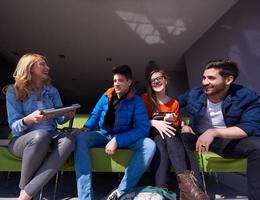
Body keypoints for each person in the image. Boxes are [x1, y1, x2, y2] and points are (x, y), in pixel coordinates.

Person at [176, 60, 260, 200]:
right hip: (199, 138)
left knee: (258, 146)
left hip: (230, 141)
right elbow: (171, 106)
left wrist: (214, 132)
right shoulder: (195, 94)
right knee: (182, 137)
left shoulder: (246, 96)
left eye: (211, 78)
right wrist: (182, 125)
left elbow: (250, 127)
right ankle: (196, 193)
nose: (204, 82)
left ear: (228, 79)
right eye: (204, 77)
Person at [74, 65, 156, 200]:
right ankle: (85, 197)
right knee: (81, 138)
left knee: (149, 145)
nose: (116, 84)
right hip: (104, 134)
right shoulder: (106, 96)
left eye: (121, 80)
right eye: (115, 80)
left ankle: (121, 192)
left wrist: (118, 140)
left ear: (129, 82)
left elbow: (143, 128)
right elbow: (95, 114)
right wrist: (87, 127)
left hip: (125, 137)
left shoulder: (137, 102)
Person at [5, 53, 75, 200]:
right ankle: (27, 194)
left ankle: (25, 194)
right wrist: (30, 119)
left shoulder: (52, 91)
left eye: (46, 65)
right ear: (30, 68)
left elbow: (58, 119)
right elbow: (14, 127)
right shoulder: (13, 91)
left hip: (50, 136)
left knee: (69, 139)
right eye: (42, 65)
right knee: (40, 136)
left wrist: (66, 115)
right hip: (21, 141)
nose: (47, 68)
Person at [141, 69, 182, 190]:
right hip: (148, 133)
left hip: (165, 136)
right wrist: (154, 122)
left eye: (159, 78)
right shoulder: (144, 98)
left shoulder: (174, 102)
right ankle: (185, 183)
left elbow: (176, 125)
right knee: (162, 137)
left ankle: (161, 188)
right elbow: (138, 120)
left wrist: (174, 122)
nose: (156, 81)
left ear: (166, 80)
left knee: (162, 140)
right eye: (152, 80)